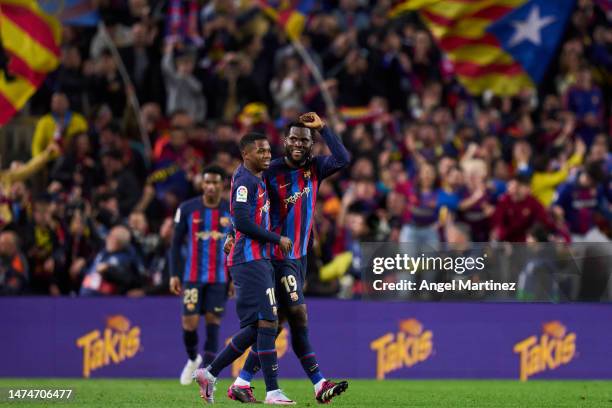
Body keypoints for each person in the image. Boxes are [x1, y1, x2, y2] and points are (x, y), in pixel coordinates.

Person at [227, 112, 350, 403]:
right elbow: (241, 206)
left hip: (301, 256)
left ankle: (241, 381)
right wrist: (231, 233)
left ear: (311, 144)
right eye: (293, 138)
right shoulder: (270, 171)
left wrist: (323, 128)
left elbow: (343, 158)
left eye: (304, 140)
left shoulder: (316, 167)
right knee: (298, 314)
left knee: (278, 321)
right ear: (285, 141)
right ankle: (319, 383)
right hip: (277, 256)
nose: (298, 144)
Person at [193, 133, 294, 404]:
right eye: (260, 151)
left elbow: (238, 221)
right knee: (268, 323)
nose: (266, 155)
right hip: (248, 260)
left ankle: (210, 373)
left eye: (268, 150)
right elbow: (244, 221)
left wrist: (230, 232)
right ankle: (272, 391)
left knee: (258, 327)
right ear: (245, 155)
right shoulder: (245, 181)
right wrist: (277, 238)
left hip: (256, 259)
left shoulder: (256, 178)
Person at [169, 165, 233, 385]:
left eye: (216, 182)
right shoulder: (187, 209)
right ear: (202, 184)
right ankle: (192, 358)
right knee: (189, 323)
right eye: (207, 182)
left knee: (213, 321)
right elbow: (175, 244)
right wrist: (173, 274)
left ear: (222, 184)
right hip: (192, 277)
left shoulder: (231, 211)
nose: (211, 187)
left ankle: (206, 373)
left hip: (220, 278)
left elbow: (237, 247)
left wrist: (234, 278)